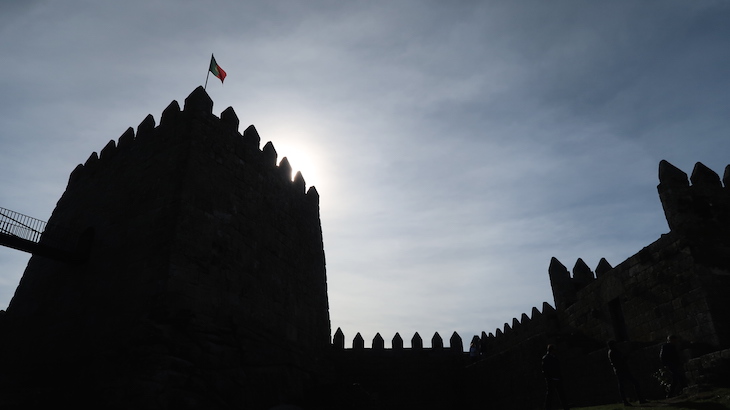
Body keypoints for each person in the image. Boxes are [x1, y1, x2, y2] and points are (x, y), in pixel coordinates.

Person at [607, 340, 647, 406]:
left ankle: (636, 399)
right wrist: (626, 356)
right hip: (621, 370)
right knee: (627, 385)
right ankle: (635, 400)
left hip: (620, 370)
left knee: (624, 386)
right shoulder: (613, 352)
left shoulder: (612, 352)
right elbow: (620, 361)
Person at [542, 344, 570, 410]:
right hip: (552, 379)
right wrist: (549, 379)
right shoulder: (546, 358)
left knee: (561, 395)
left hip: (557, 379)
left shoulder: (554, 357)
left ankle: (565, 407)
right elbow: (545, 370)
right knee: (550, 396)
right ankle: (547, 408)